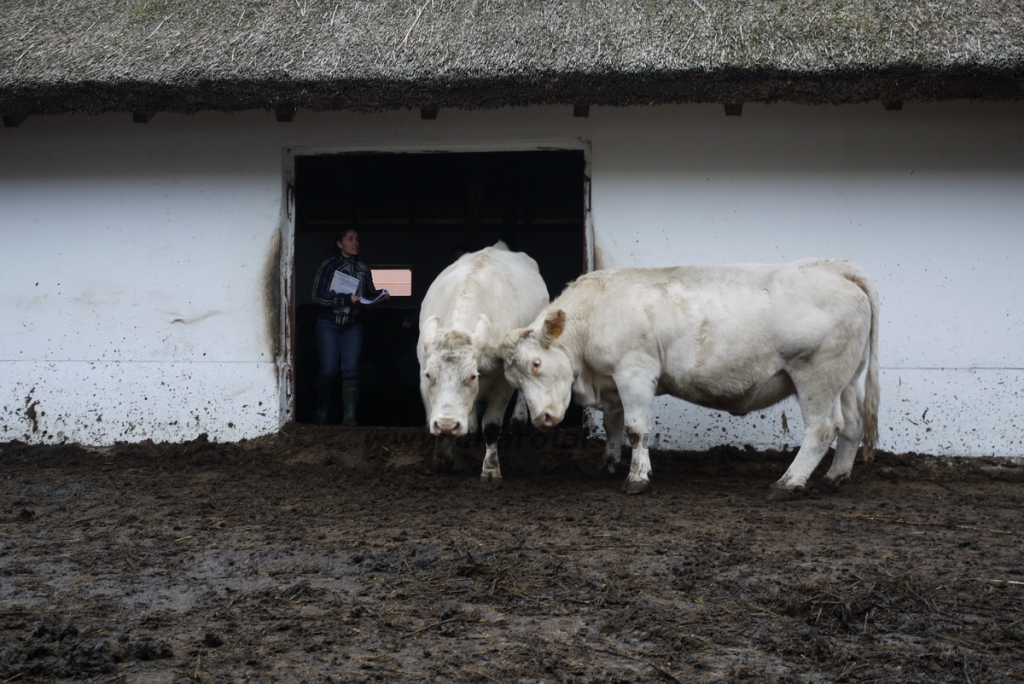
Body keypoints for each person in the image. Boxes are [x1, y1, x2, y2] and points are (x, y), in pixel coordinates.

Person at [311, 228, 387, 426]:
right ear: (339, 243)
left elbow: (369, 293)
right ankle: (321, 415)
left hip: (353, 325)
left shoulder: (363, 267)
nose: (355, 243)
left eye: (357, 240)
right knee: (328, 371)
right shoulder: (329, 265)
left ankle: (349, 418)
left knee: (351, 370)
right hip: (329, 323)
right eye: (350, 239)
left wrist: (381, 295)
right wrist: (346, 298)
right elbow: (317, 295)